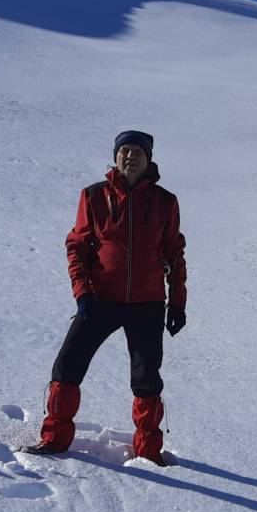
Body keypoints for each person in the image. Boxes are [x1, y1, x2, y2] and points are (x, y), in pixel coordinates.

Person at [26, 131, 187, 465]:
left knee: (146, 380)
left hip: (147, 305)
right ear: (115, 157)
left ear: (149, 159)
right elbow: (77, 247)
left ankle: (148, 452)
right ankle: (54, 439)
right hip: (100, 300)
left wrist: (178, 303)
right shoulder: (93, 196)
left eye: (137, 152)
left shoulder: (165, 202)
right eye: (124, 151)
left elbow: (175, 254)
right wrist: (83, 293)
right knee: (67, 366)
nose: (130, 157)